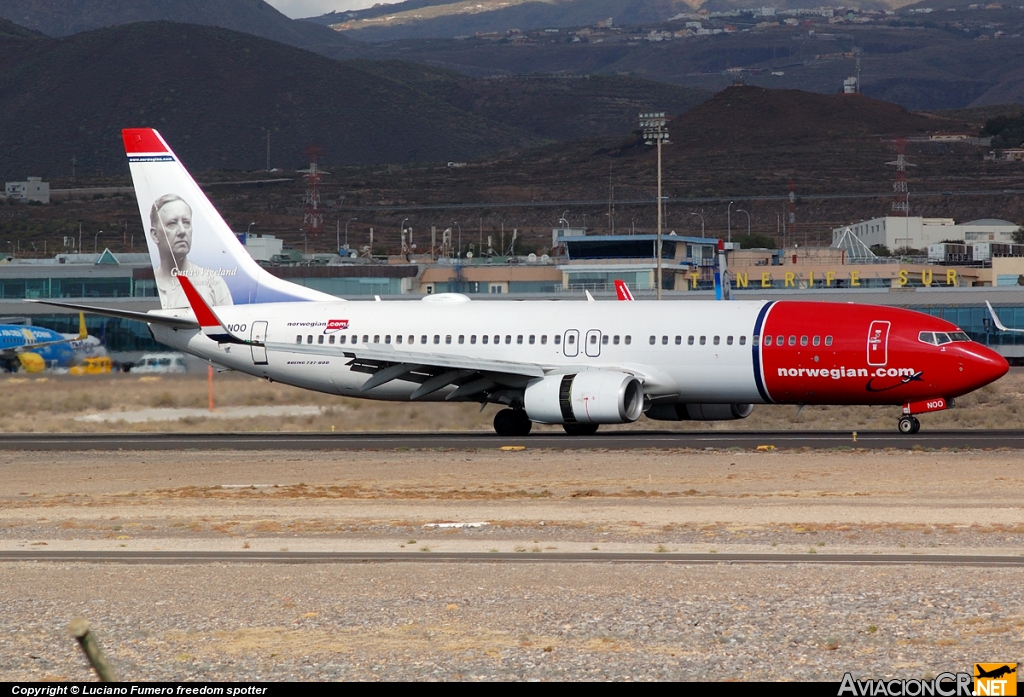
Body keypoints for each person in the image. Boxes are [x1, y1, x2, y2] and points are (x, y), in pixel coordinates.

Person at [150, 194, 233, 309]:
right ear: (155, 235)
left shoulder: (212, 282)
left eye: (186, 222)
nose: (182, 231)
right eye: (172, 224)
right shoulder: (146, 285)